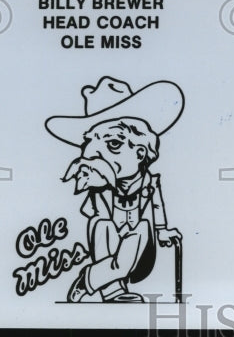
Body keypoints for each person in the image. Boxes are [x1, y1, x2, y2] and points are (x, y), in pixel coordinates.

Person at [46, 77, 184, 303]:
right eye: (92, 146)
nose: (98, 155)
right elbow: (99, 217)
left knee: (140, 231)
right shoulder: (100, 186)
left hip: (139, 248)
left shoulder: (150, 182)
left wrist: (162, 230)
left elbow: (157, 207)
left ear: (140, 153)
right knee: (103, 226)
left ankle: (87, 280)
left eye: (113, 145)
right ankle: (112, 291)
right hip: (107, 239)